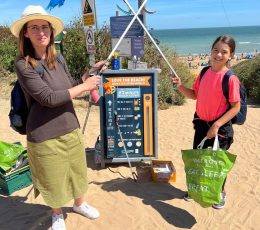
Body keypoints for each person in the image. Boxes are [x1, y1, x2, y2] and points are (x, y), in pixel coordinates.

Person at [10, 5, 103, 229]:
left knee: (76, 171)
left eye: (45, 27)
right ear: (25, 32)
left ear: (51, 31)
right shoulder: (23, 64)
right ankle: (57, 213)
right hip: (43, 133)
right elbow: (48, 98)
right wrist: (85, 87)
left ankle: (79, 204)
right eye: (34, 27)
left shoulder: (58, 58)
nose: (41, 32)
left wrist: (87, 76)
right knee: (52, 177)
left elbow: (68, 87)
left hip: (70, 126)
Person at [172, 35, 241, 209]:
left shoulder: (230, 78)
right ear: (211, 51)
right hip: (202, 125)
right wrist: (180, 86)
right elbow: (195, 95)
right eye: (215, 50)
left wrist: (217, 125)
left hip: (220, 128)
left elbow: (235, 108)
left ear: (230, 55)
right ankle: (196, 190)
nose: (218, 54)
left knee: (217, 163)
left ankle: (219, 193)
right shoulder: (203, 72)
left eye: (224, 52)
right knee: (199, 159)